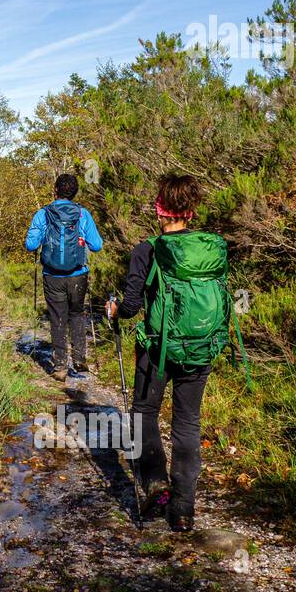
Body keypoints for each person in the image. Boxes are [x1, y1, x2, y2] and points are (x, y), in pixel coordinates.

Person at [106, 174, 234, 532]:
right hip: (200, 347)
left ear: (160, 209)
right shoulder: (210, 249)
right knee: (188, 422)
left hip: (157, 348)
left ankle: (156, 486)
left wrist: (114, 311)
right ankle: (182, 511)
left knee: (144, 413)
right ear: (190, 212)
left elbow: (131, 306)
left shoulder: (147, 249)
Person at [24, 173, 103, 382]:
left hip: (52, 276)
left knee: (57, 317)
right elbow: (97, 245)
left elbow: (30, 244)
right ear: (74, 192)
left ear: (55, 190)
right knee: (76, 314)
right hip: (78, 275)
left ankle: (59, 366)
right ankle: (79, 359)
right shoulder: (83, 214)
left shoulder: (43, 214)